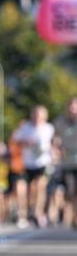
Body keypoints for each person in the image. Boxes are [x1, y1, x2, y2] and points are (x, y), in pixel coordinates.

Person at [12, 106, 54, 228]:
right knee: (25, 189)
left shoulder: (49, 128)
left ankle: (38, 213)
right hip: (27, 163)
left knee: (40, 186)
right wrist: (26, 143)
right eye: (35, 115)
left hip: (43, 162)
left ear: (44, 117)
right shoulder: (25, 127)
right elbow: (16, 141)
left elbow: (53, 143)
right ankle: (24, 213)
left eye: (40, 116)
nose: (37, 118)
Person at [54, 96, 77, 228]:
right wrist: (56, 149)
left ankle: (74, 217)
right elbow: (56, 139)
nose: (73, 109)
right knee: (70, 191)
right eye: (71, 106)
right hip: (67, 163)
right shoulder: (61, 122)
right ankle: (70, 216)